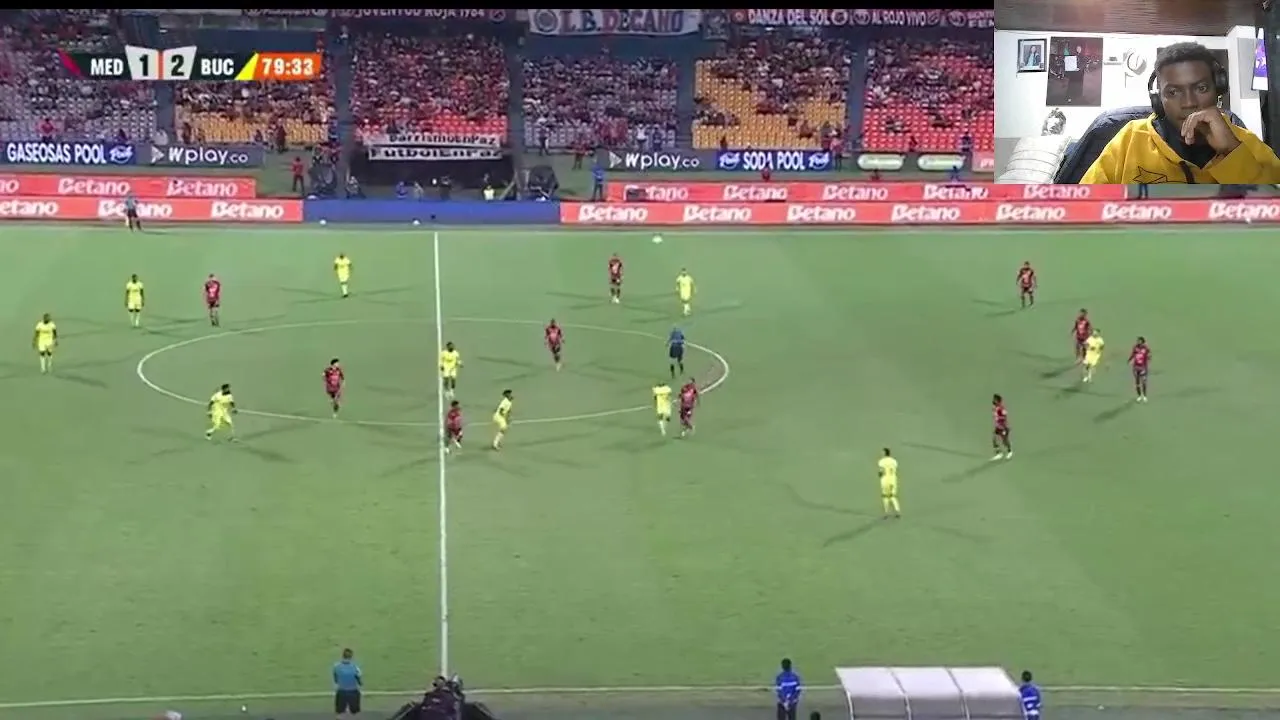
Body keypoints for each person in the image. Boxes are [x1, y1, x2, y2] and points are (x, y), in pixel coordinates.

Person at [1082, 42, 1280, 184]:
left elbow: (1272, 214)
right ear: (1158, 99)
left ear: (1218, 89)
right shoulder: (1130, 138)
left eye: (1201, 88)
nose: (1189, 103)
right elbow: (1084, 210)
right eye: (1173, 92)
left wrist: (1232, 152)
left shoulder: (1247, 143)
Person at [333, 647, 363, 718]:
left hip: (341, 692)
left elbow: (336, 680)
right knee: (355, 713)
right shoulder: (355, 668)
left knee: (340, 713)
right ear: (351, 657)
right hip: (353, 692)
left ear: (343, 656)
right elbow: (360, 682)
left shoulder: (337, 667)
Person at [878, 447, 901, 519]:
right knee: (893, 495)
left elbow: (881, 472)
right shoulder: (894, 461)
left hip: (885, 480)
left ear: (884, 453)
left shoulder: (881, 462)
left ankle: (886, 512)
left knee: (885, 496)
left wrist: (879, 474)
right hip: (893, 479)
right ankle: (897, 510)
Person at [1129, 336, 1152, 403]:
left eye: (1139, 341)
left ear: (1142, 342)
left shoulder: (1146, 348)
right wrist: (1130, 360)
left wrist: (1149, 357)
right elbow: (1132, 354)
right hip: (1136, 367)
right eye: (1138, 341)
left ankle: (1144, 396)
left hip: (1143, 367)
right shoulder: (1135, 347)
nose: (1138, 342)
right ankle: (1139, 396)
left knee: (1144, 382)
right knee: (1137, 382)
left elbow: (1149, 354)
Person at [992, 394, 1012, 460]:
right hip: (998, 427)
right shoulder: (995, 408)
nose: (993, 401)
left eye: (995, 399)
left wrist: (1004, 426)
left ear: (998, 401)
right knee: (994, 439)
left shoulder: (1001, 408)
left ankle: (1009, 451)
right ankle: (999, 453)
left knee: (1004, 441)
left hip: (1003, 427)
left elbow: (1004, 417)